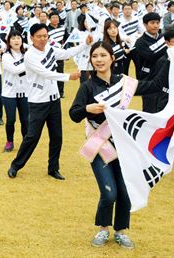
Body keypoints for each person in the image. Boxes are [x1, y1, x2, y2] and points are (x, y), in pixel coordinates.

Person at [69, 42, 167, 250]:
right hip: (100, 147)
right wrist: (88, 108)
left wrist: (170, 57)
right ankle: (104, 228)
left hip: (123, 147)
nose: (99, 59)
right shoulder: (88, 87)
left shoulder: (124, 83)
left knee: (124, 191)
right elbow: (74, 114)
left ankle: (121, 232)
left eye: (103, 55)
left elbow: (155, 85)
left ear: (112, 58)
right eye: (95, 56)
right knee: (109, 193)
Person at [7, 23, 92, 180]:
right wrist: (68, 77)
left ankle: (53, 168)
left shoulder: (50, 49)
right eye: (39, 36)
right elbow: (45, 73)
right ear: (31, 38)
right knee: (32, 136)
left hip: (54, 101)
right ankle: (15, 165)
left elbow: (66, 53)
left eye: (45, 36)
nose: (43, 39)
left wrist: (84, 44)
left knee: (57, 136)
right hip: (38, 102)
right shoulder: (30, 55)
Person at [131, 13, 166, 112]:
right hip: (148, 82)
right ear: (145, 25)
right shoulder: (140, 42)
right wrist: (167, 45)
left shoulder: (163, 38)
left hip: (164, 80)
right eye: (152, 23)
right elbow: (152, 56)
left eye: (158, 22)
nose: (156, 25)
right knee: (150, 111)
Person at [1, 30, 28, 152]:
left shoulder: (27, 54)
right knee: (11, 119)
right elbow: (15, 70)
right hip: (9, 93)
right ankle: (9, 141)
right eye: (13, 38)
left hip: (25, 92)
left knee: (25, 120)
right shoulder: (6, 56)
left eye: (18, 38)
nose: (16, 41)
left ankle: (26, 142)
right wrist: (30, 64)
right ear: (9, 41)